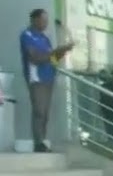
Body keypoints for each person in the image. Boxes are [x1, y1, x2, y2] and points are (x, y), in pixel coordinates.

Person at [18, 8, 75, 152]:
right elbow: (35, 58)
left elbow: (52, 58)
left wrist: (63, 51)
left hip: (49, 77)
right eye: (43, 20)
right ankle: (38, 142)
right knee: (39, 110)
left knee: (45, 112)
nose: (45, 23)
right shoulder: (27, 35)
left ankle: (41, 141)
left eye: (46, 20)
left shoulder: (45, 38)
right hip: (36, 78)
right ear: (34, 20)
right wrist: (55, 51)